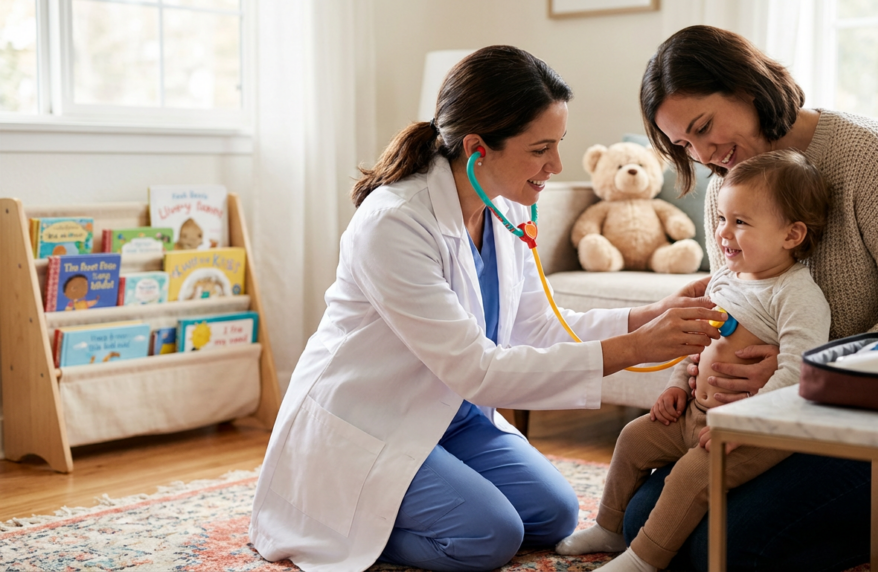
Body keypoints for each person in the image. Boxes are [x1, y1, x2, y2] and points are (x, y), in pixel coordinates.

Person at [248, 45, 726, 572]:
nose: (557, 166)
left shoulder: (506, 205)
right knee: (489, 536)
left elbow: (536, 327)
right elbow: (477, 369)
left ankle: (431, 487)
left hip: (453, 416)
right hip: (371, 417)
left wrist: (649, 316)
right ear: (477, 148)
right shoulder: (395, 223)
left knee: (555, 514)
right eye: (540, 148)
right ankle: (348, 527)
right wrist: (634, 348)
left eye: (559, 144)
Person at [618, 25, 878, 571]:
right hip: (765, 424)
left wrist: (803, 374)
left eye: (704, 127)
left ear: (747, 86)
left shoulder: (868, 155)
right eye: (684, 144)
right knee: (642, 524)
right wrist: (693, 380)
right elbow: (732, 307)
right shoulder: (728, 185)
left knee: (723, 549)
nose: (704, 153)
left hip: (877, 425)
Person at [556, 150, 832, 571]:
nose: (724, 233)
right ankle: (610, 528)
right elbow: (693, 344)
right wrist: (673, 387)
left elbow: (800, 372)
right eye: (723, 218)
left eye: (741, 222)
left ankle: (643, 561)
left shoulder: (796, 295)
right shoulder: (723, 278)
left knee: (690, 476)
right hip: (694, 413)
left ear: (792, 235)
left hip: (752, 432)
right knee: (632, 437)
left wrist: (746, 422)